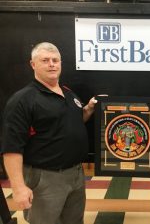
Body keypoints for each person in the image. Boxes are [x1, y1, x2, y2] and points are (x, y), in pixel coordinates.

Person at [1, 42, 97, 224]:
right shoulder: (23, 100)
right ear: (33, 64)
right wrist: (19, 187)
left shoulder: (69, 93)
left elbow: (73, 122)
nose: (52, 64)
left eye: (55, 60)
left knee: (74, 221)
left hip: (76, 174)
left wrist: (88, 109)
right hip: (45, 177)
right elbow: (11, 148)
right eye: (45, 60)